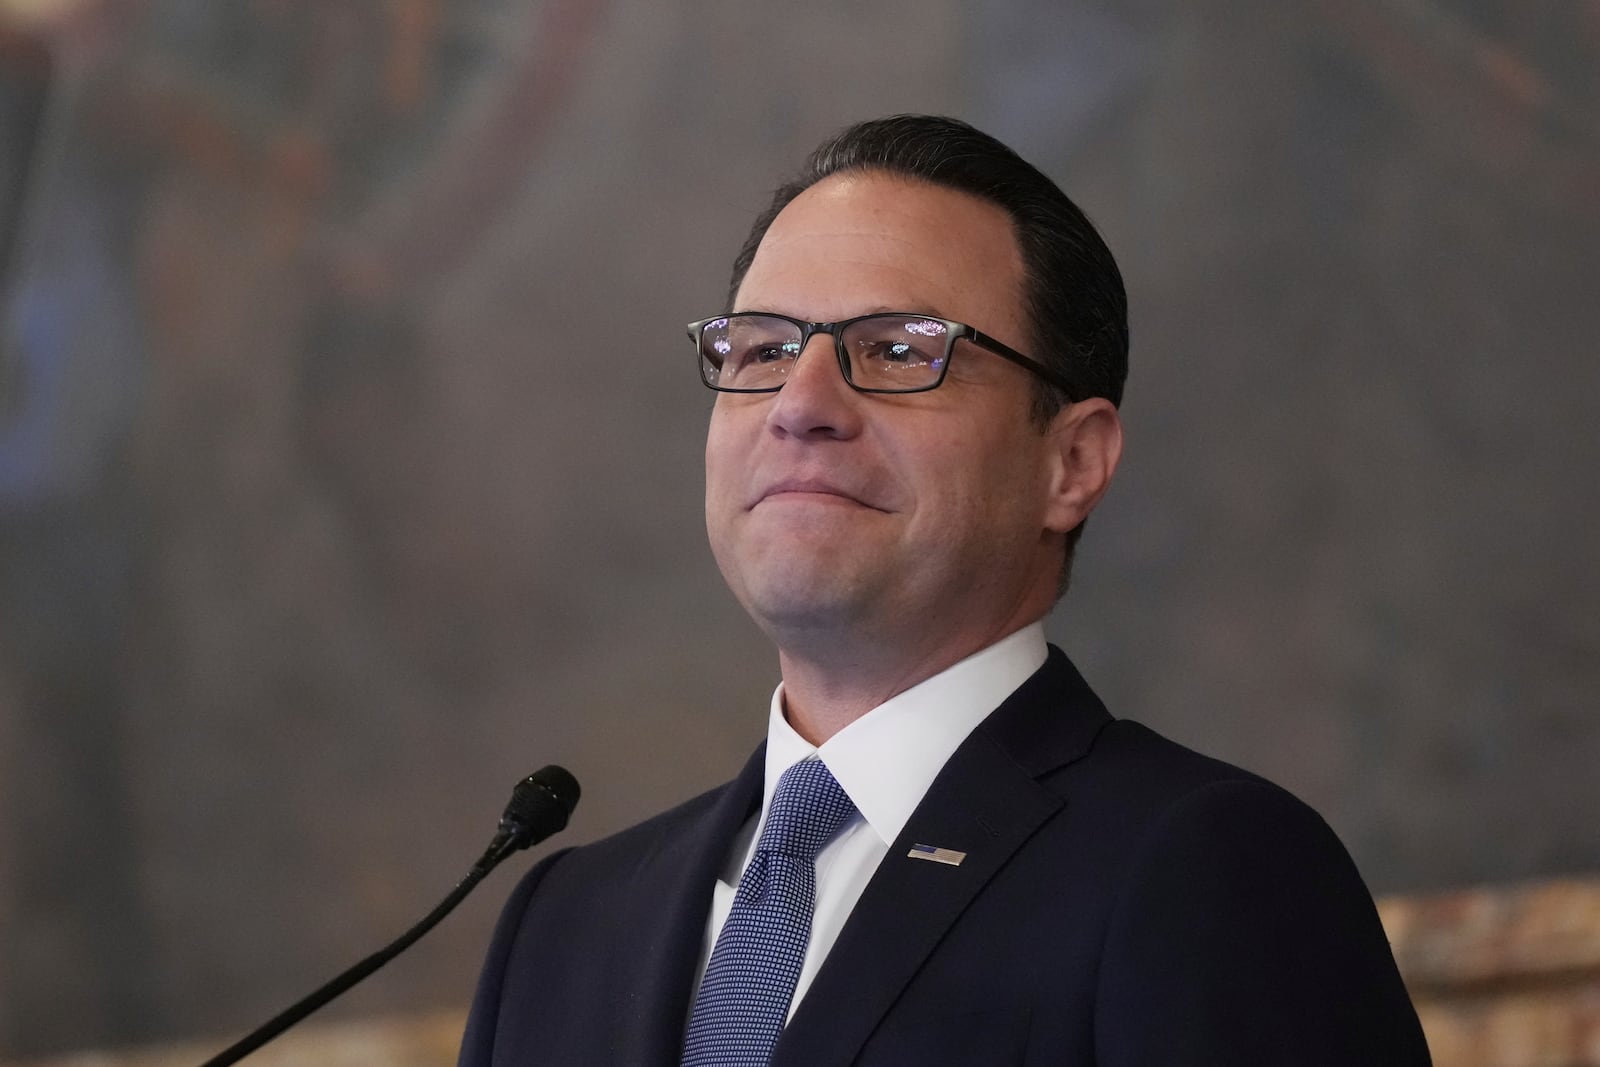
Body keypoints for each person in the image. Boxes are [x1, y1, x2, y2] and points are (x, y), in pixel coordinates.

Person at [458, 115, 1431, 1066]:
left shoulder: (1204, 869)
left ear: (1071, 462)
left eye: (894, 349)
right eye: (760, 349)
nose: (800, 405)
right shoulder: (565, 925)